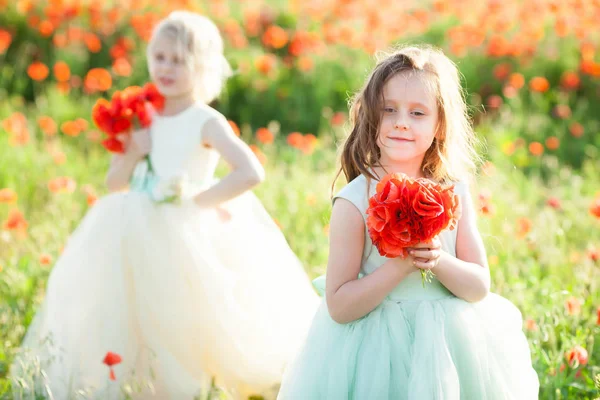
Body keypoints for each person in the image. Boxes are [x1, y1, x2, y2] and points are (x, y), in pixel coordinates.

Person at [11, 11, 318, 400]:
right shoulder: (143, 115)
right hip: (131, 222)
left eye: (179, 60)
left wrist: (197, 201)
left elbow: (250, 171)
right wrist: (133, 150)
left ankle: (185, 385)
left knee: (182, 310)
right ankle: (135, 382)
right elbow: (114, 182)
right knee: (128, 304)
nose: (166, 68)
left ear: (202, 66)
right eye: (159, 57)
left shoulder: (204, 120)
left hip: (183, 229)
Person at [277, 45, 539, 400]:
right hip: (375, 350)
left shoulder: (453, 191)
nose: (401, 121)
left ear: (440, 126)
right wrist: (399, 267)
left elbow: (479, 285)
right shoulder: (354, 201)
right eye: (389, 110)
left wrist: (437, 260)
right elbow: (338, 306)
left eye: (418, 113)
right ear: (372, 117)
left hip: (448, 346)